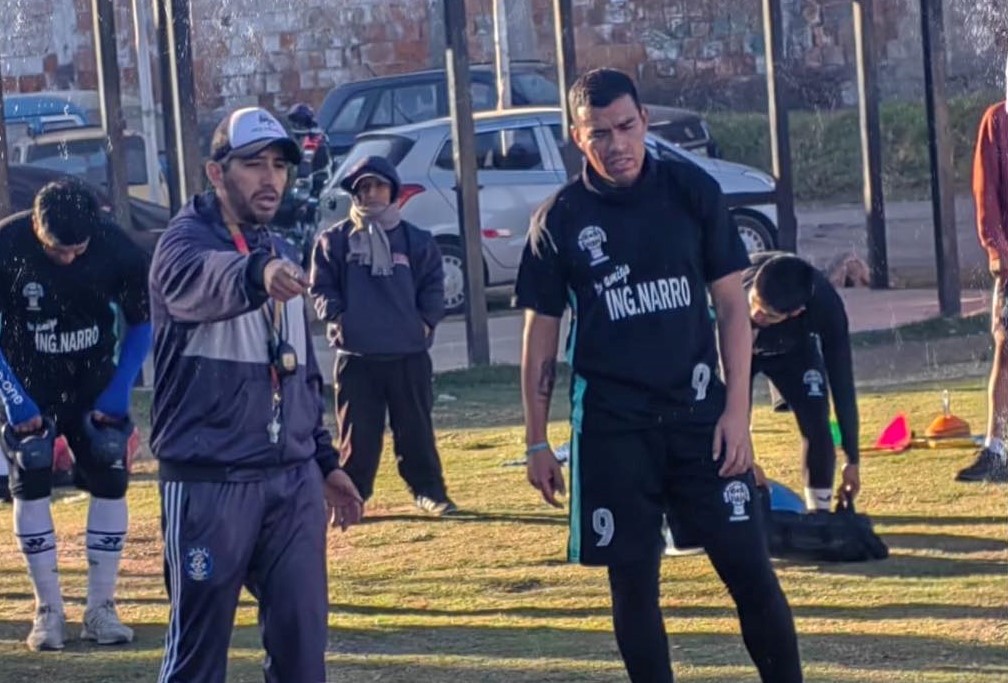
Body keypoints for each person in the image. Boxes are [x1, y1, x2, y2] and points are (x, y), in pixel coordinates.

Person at [515, 68, 802, 682]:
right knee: (634, 586)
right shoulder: (560, 219)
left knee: (750, 571)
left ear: (644, 120)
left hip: (701, 419)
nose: (616, 144)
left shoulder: (691, 191)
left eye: (625, 126)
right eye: (599, 133)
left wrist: (736, 416)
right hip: (614, 429)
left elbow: (732, 305)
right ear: (576, 136)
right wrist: (537, 439)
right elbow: (541, 333)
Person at [148, 106, 364, 683]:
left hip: (291, 481)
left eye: (279, 165)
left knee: (301, 653)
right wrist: (256, 274)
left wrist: (322, 459)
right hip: (211, 481)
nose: (271, 178)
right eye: (253, 165)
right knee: (197, 658)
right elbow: (202, 279)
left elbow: (301, 372)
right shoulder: (182, 243)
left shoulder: (281, 248)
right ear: (215, 173)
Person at [0, 178, 150, 650]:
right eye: (56, 250)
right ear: (37, 230)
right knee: (32, 470)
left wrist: (120, 390)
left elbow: (143, 322)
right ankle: (48, 611)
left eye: (76, 250)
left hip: (93, 382)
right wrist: (12, 397)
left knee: (110, 470)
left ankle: (101, 608)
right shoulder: (6, 245)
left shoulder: (116, 247)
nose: (67, 258)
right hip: (28, 382)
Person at [310, 155, 455, 515]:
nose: (371, 193)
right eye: (363, 187)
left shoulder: (417, 241)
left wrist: (425, 322)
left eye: (378, 185)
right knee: (357, 439)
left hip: (408, 354)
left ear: (393, 192)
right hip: (356, 357)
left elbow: (434, 288)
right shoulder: (335, 241)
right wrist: (338, 316)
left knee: (416, 431)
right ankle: (352, 497)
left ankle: (430, 493)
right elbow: (320, 288)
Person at [744, 251, 861, 509]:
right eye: (755, 304)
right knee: (724, 427)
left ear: (797, 312)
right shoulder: (735, 298)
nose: (756, 315)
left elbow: (842, 383)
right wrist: (746, 460)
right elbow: (732, 397)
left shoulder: (826, 309)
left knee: (817, 421)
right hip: (737, 349)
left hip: (794, 351)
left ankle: (819, 511)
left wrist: (852, 460)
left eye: (767, 316)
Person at [959, 73, 1008, 483]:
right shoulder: (998, 121)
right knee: (1006, 350)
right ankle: (997, 449)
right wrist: (995, 249)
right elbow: (985, 192)